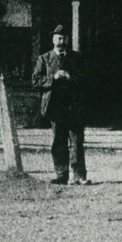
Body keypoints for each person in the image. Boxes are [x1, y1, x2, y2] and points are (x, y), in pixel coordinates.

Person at [32, 25, 89, 185]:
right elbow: (35, 81)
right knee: (59, 141)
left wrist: (71, 76)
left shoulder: (76, 58)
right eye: (58, 38)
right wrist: (53, 77)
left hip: (74, 106)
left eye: (64, 38)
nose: (61, 41)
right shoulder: (44, 58)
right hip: (55, 107)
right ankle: (61, 174)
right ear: (53, 40)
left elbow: (86, 78)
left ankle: (79, 175)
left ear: (68, 39)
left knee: (77, 140)